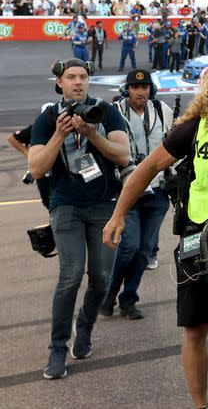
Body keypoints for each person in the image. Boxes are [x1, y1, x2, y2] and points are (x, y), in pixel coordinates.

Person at [103, 55, 208, 409]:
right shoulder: (194, 128)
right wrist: (118, 215)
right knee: (195, 328)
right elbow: (145, 169)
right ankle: (200, 405)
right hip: (200, 236)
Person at [28, 59, 130, 380]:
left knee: (101, 277)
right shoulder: (48, 117)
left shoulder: (105, 111)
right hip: (66, 204)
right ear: (59, 82)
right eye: (70, 77)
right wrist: (60, 134)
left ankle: (85, 325)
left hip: (104, 203)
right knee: (70, 275)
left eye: (83, 77)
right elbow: (36, 169)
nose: (77, 82)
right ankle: (58, 347)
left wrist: (91, 133)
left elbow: (123, 155)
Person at [101, 70, 173, 320]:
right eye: (135, 87)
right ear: (127, 89)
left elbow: (172, 143)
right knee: (128, 246)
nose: (140, 92)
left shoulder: (163, 110)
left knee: (145, 251)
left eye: (145, 87)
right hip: (128, 190)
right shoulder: (114, 112)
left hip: (158, 191)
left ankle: (128, 298)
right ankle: (109, 293)